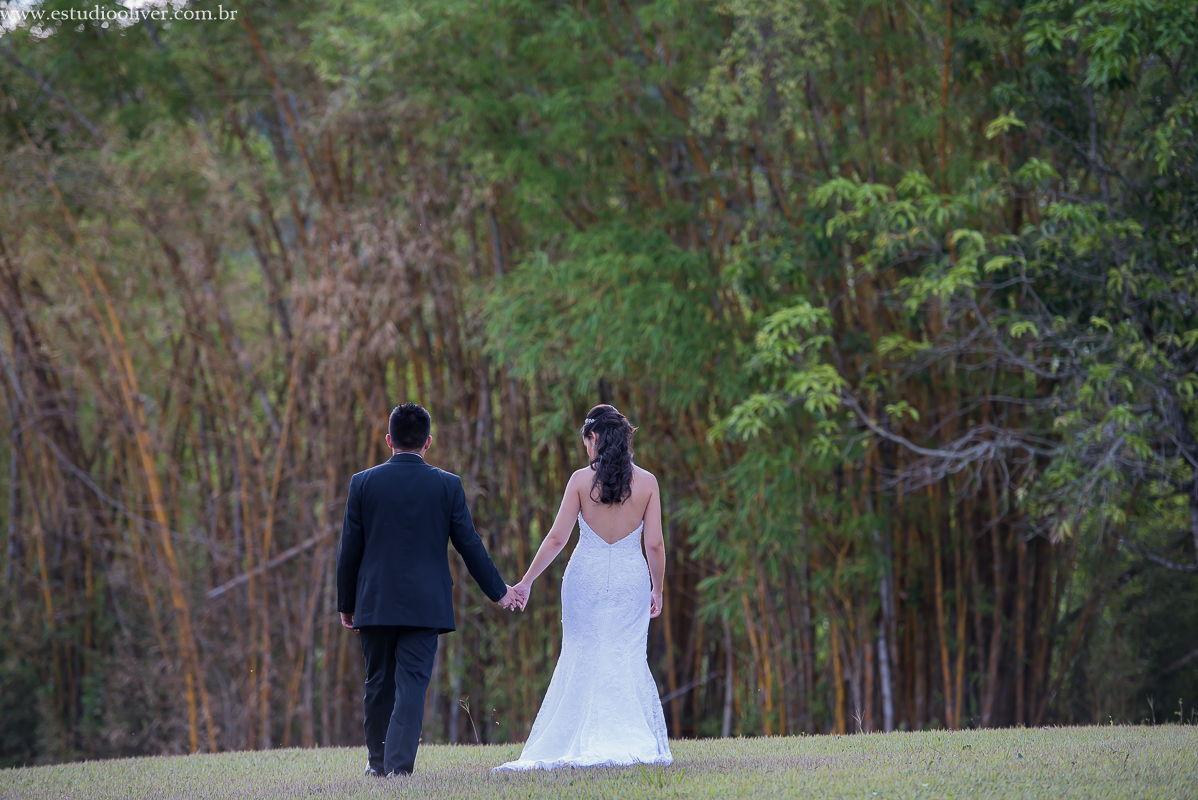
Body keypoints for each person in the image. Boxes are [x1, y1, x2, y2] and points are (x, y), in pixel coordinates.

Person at [336, 403, 523, 777]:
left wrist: (346, 603)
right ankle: (398, 769)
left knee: (378, 683)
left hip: (374, 601)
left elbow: (349, 549)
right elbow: (468, 543)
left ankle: (377, 764)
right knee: (411, 686)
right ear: (428, 443)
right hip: (426, 603)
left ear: (389, 440)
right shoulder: (447, 484)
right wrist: (499, 590)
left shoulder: (363, 482)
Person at [494, 404, 673, 771]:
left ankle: (571, 737)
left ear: (594, 439)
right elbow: (654, 545)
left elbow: (557, 538)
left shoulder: (579, 481)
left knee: (582, 652)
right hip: (629, 581)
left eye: (586, 441)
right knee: (625, 654)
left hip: (584, 580)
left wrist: (526, 581)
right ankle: (627, 736)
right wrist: (658, 588)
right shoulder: (648, 483)